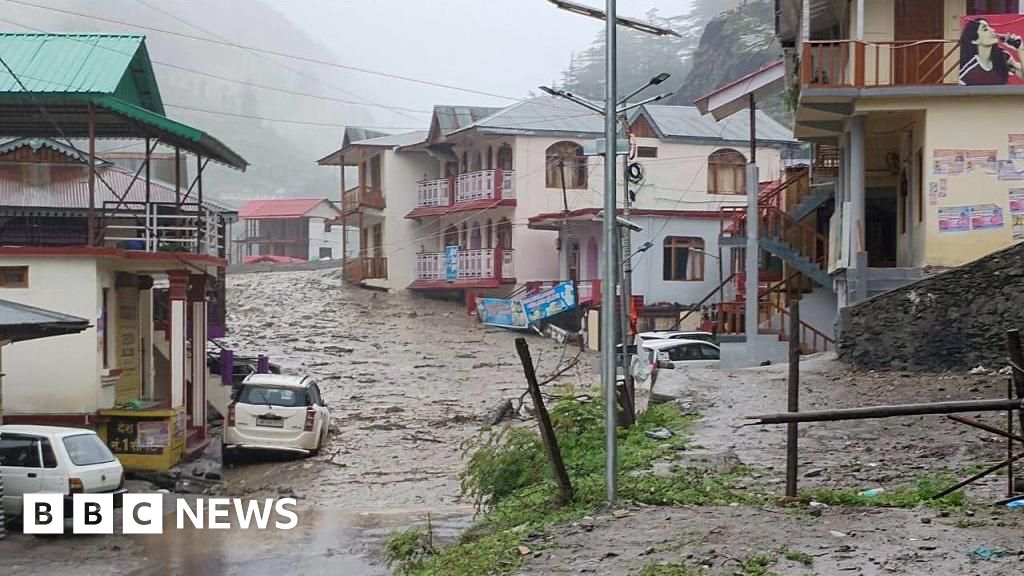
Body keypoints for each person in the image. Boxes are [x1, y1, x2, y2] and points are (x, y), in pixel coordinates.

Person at [960, 18, 1024, 85]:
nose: (992, 30)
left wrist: (1020, 50)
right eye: (985, 29)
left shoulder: (1002, 57)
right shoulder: (968, 71)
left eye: (990, 27)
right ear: (974, 41)